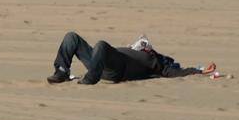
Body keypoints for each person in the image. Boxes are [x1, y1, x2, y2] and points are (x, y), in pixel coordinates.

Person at [47, 32, 212, 85]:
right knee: (71, 37)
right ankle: (61, 71)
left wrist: (198, 70)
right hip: (100, 61)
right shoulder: (132, 49)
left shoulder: (157, 62)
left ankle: (90, 79)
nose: (144, 44)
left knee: (101, 45)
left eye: (146, 44)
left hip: (117, 68)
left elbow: (175, 72)